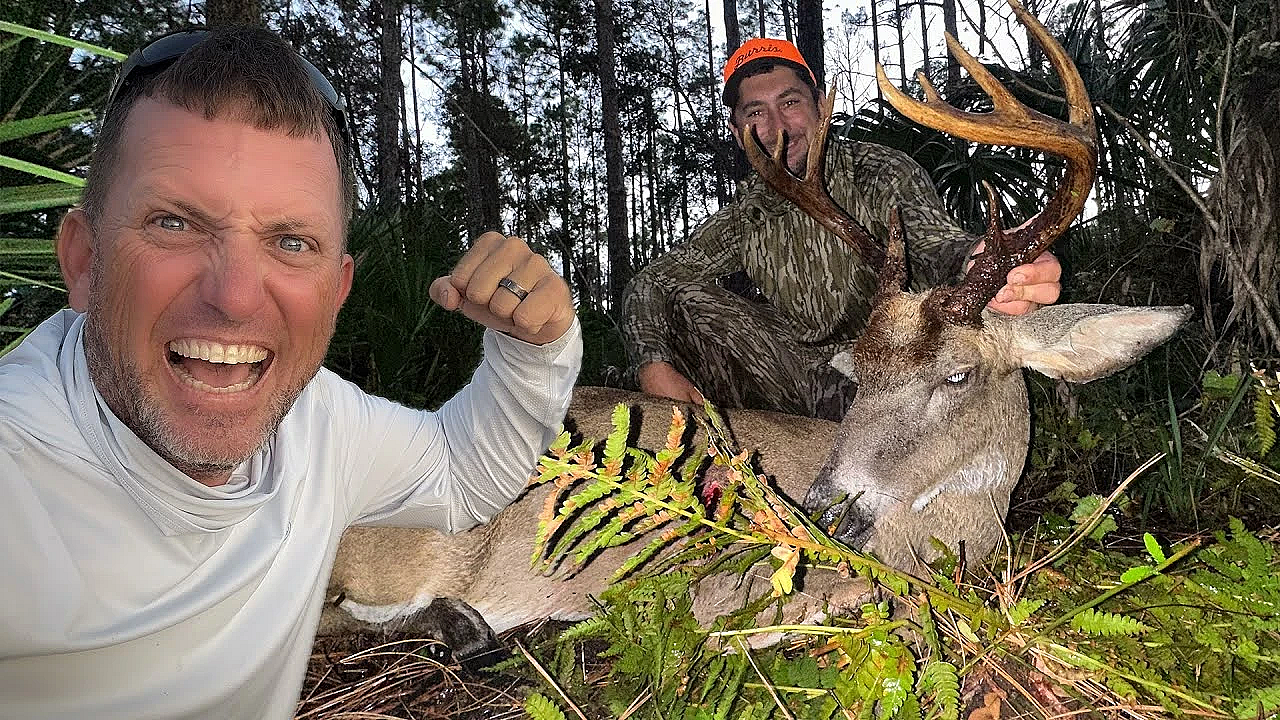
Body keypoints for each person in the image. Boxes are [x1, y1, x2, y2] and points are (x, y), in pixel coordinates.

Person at [0, 27, 580, 719]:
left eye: (291, 241)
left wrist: (535, 347)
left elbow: (462, 473)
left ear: (336, 290)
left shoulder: (317, 425)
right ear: (84, 260)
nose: (236, 296)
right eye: (176, 224)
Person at [623, 38, 1062, 421]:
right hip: (798, 375)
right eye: (756, 112)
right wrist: (651, 365)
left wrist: (979, 261)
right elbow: (652, 281)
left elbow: (932, 241)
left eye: (790, 103)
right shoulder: (747, 214)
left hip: (892, 372)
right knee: (686, 299)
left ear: (820, 106)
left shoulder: (878, 172)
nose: (778, 127)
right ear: (739, 134)